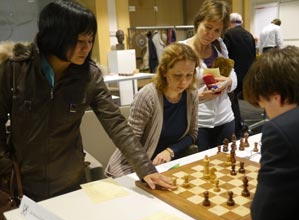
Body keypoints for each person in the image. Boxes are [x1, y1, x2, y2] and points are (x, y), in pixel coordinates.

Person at [0, 0, 175, 202]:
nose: (86, 48)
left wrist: (145, 169)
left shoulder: (89, 76)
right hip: (21, 182)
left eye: (90, 40)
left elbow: (116, 124)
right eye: (79, 41)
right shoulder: (15, 70)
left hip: (70, 181)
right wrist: (5, 165)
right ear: (55, 37)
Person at [105, 43, 199, 178]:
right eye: (177, 75)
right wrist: (147, 171)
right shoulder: (147, 96)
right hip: (133, 165)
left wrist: (170, 151)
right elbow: (131, 142)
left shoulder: (191, 94)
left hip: (166, 164)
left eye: (189, 75)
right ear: (164, 71)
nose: (184, 82)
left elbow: (193, 133)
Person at [243, 46, 299, 220]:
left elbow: (266, 212)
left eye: (263, 106)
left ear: (275, 97)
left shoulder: (281, 130)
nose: (267, 114)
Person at [180, 0, 237, 151]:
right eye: (208, 27)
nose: (211, 34)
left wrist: (228, 82)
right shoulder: (181, 50)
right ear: (198, 22)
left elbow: (233, 74)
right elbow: (171, 92)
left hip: (225, 118)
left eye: (217, 30)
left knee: (227, 165)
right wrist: (198, 96)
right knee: (202, 169)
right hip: (199, 123)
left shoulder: (220, 46)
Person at [223, 12, 256, 136]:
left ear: (229, 23)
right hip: (249, 73)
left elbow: (226, 57)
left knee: (232, 101)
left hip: (235, 74)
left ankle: (237, 126)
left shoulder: (228, 35)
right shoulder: (249, 35)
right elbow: (253, 55)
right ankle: (239, 126)